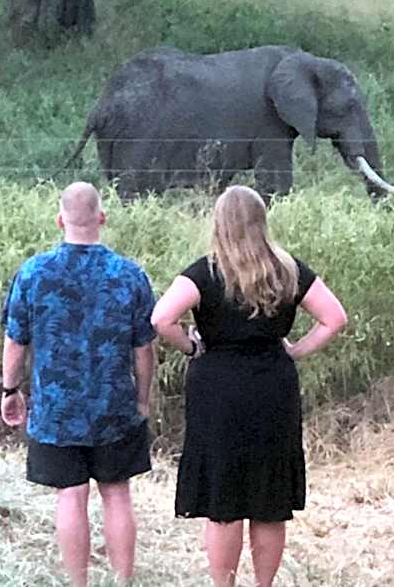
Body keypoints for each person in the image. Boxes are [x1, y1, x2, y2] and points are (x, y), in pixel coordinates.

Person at [151, 185, 347, 587]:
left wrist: (191, 345)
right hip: (272, 388)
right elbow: (334, 318)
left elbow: (160, 319)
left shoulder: (204, 272)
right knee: (269, 501)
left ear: (219, 222)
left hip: (217, 389)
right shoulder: (288, 269)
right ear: (262, 221)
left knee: (224, 500)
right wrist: (293, 351)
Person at [1, 182, 156, 587]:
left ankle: (78, 583)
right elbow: (144, 348)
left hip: (56, 410)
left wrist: (9, 389)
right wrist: (143, 399)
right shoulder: (129, 275)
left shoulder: (34, 272)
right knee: (117, 493)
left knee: (70, 495)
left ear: (60, 219)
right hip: (115, 407)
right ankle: (122, 582)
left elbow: (16, 339)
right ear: (101, 218)